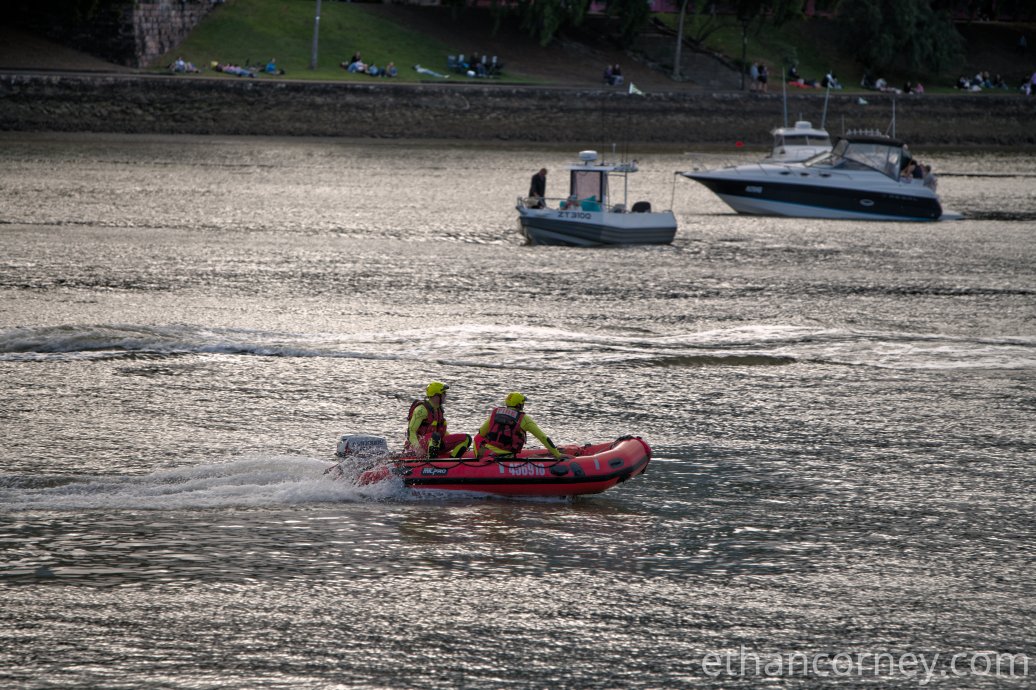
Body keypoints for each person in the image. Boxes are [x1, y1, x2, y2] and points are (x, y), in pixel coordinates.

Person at [473, 392, 562, 460]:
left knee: (479, 438)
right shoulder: (524, 419)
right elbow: (543, 437)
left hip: (487, 452)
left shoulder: (496, 413)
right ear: (519, 405)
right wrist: (558, 455)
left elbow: (481, 433)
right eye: (523, 403)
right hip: (506, 456)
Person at [405, 381, 471, 459]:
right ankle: (432, 463)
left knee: (467, 439)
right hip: (421, 445)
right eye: (444, 394)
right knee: (435, 436)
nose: (445, 396)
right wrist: (417, 448)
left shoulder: (439, 409)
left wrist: (454, 442)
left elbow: (441, 430)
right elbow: (411, 431)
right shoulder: (421, 410)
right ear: (436, 396)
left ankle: (452, 463)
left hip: (436, 442)